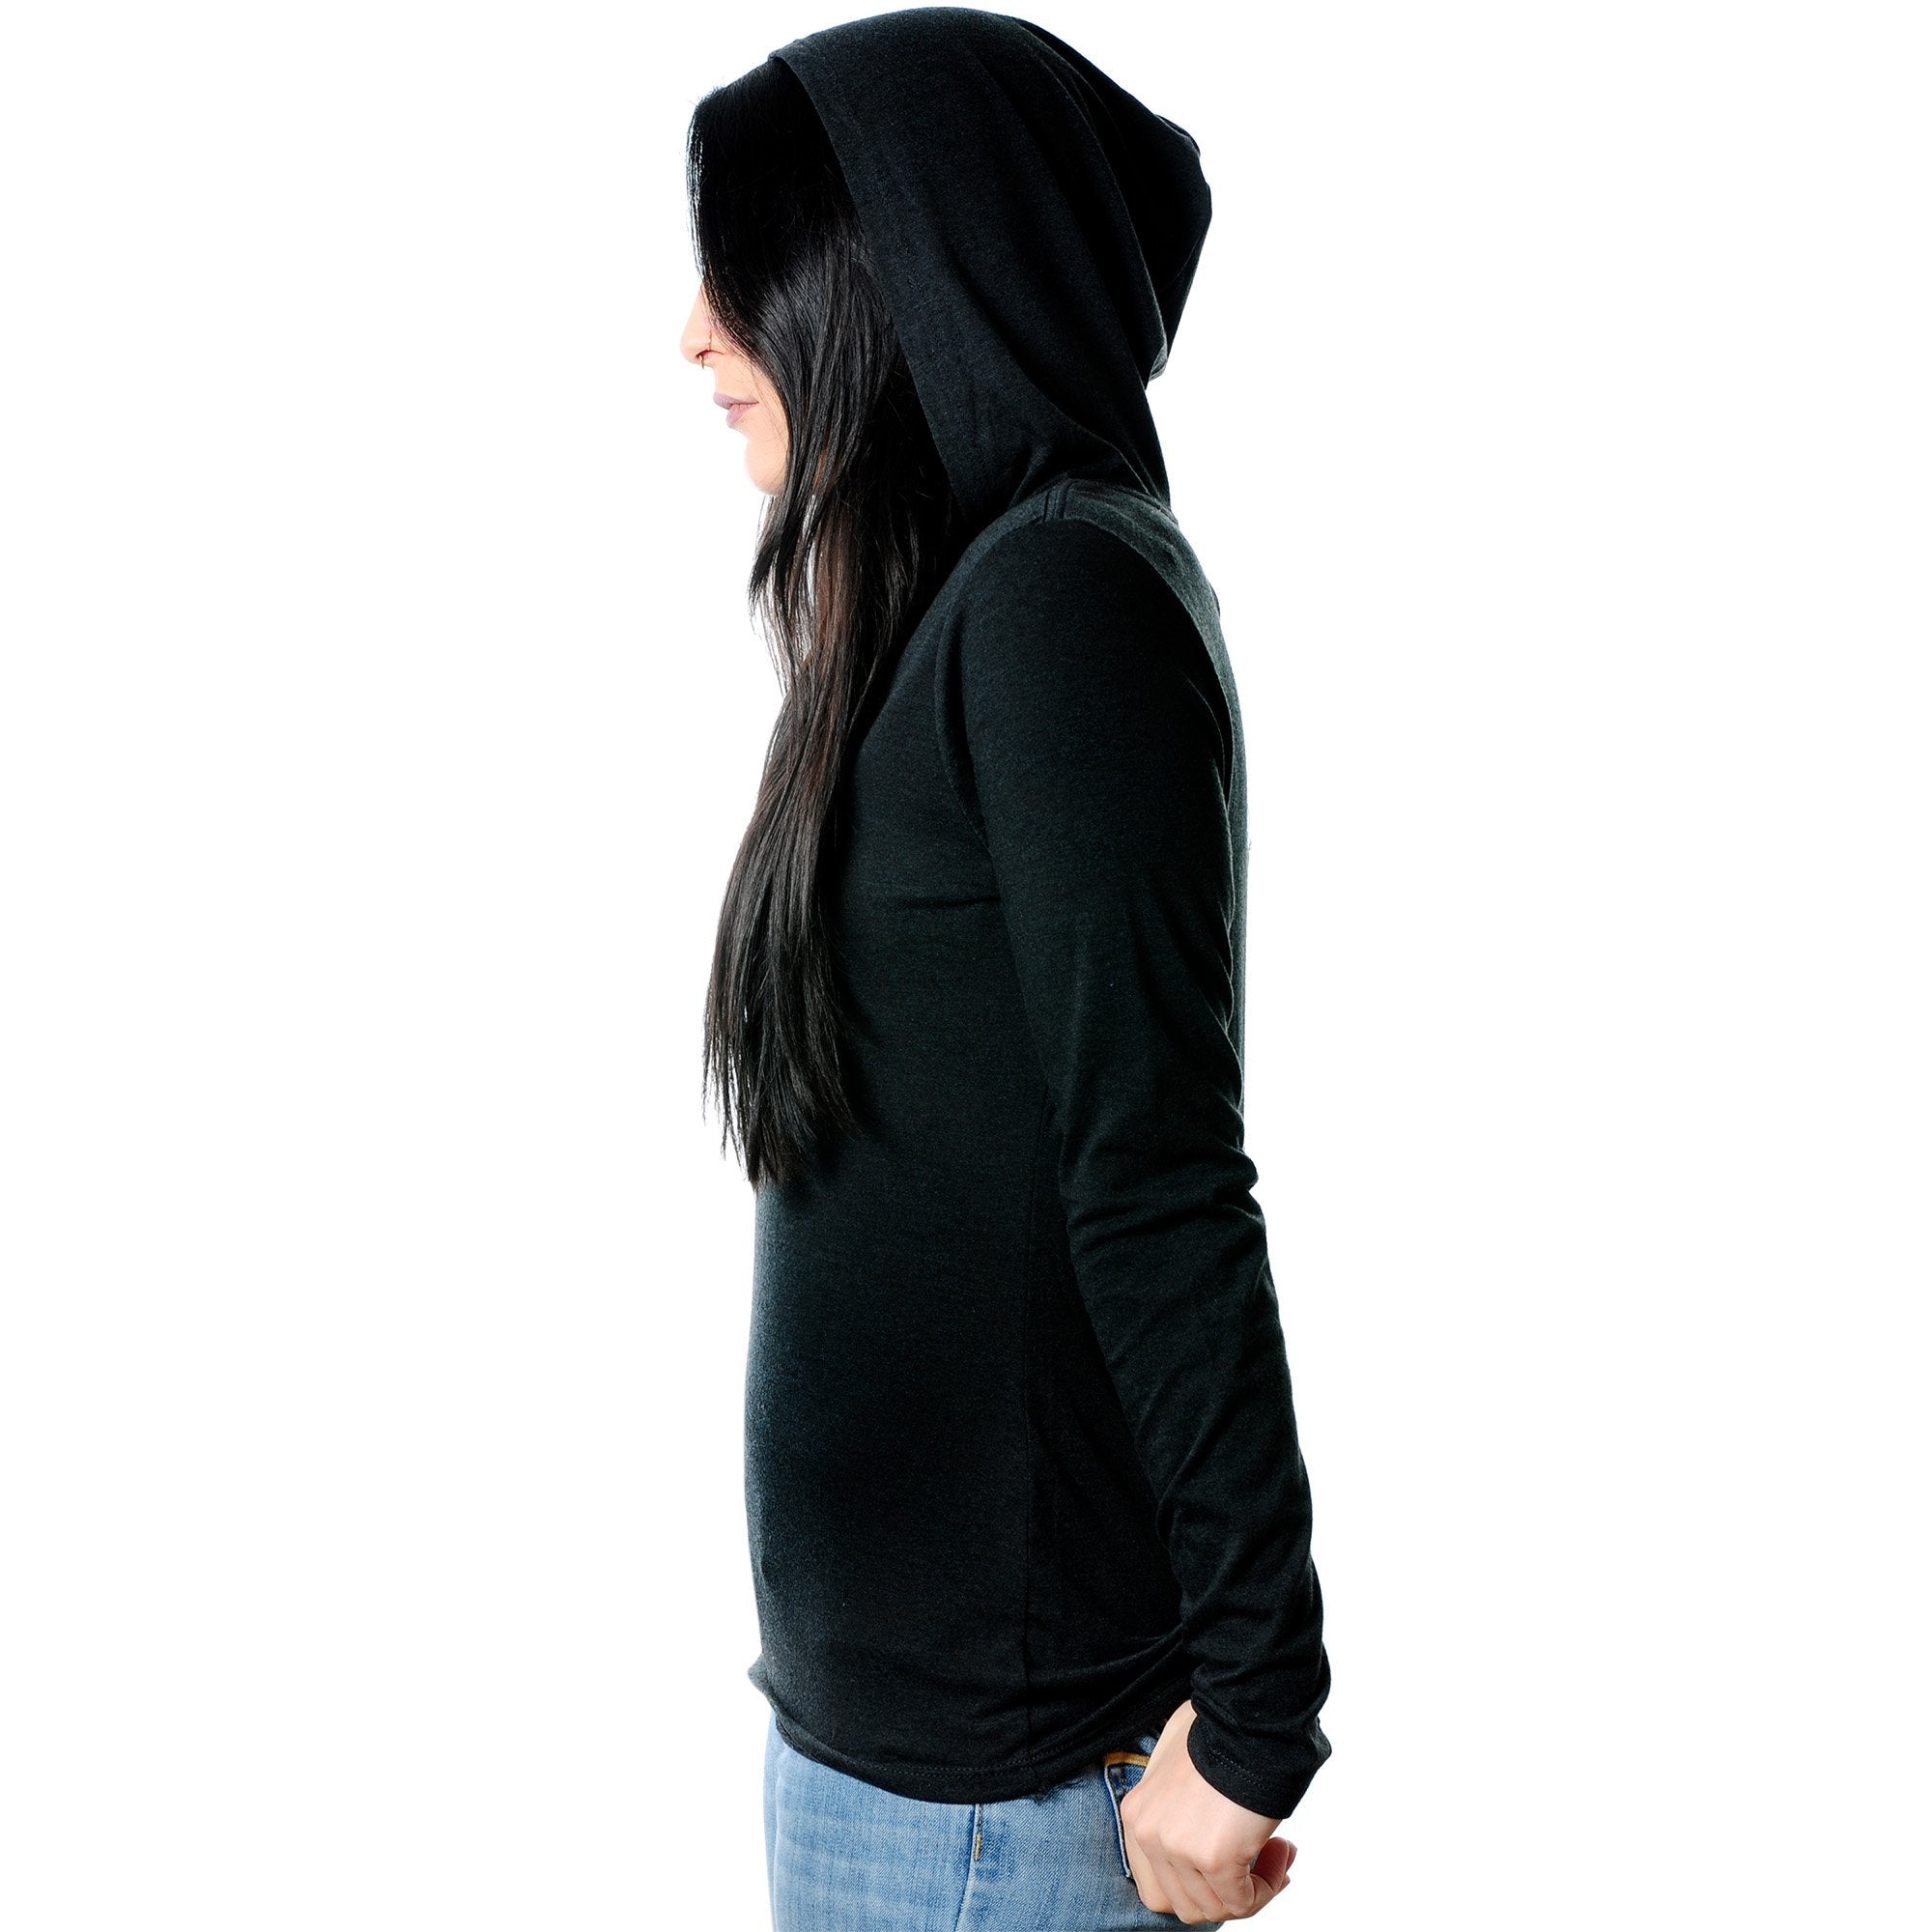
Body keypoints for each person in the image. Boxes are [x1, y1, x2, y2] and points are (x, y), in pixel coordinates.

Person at [679, 11, 1333, 1927]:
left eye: (745, 270)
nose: (695, 334)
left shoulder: (1062, 597)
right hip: (886, 1764)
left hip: (1002, 1808)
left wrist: (1261, 1710)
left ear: (896, 275)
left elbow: (1159, 1171)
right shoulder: (944, 607)